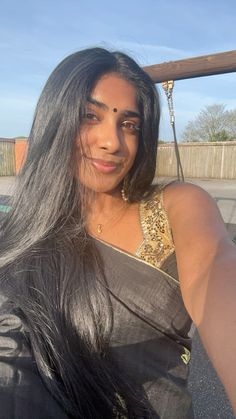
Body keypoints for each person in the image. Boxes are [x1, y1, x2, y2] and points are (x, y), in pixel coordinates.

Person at [0, 48, 235, 419]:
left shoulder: (176, 206)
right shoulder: (24, 235)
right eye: (89, 116)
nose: (112, 142)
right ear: (55, 120)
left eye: (129, 124)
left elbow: (216, 269)